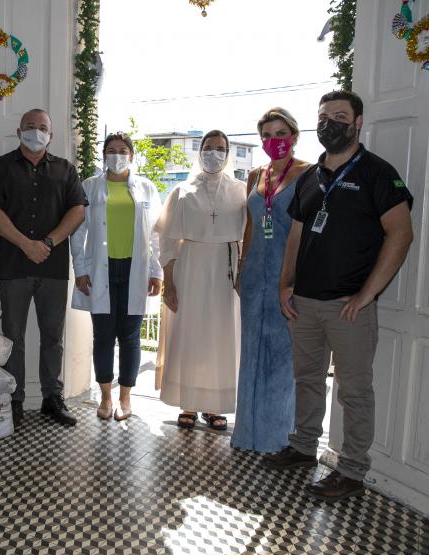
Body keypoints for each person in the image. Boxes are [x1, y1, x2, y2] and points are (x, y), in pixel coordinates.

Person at [262, 91, 414, 502]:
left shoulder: (377, 174)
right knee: (307, 380)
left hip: (348, 307)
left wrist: (367, 294)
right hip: (304, 305)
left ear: (358, 122)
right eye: (324, 116)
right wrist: (284, 285)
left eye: (340, 116)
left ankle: (350, 470)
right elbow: (295, 235)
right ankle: (303, 446)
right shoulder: (311, 177)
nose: (330, 123)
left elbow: (401, 234)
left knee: (355, 391)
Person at [0, 108, 88, 427]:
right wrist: (26, 244)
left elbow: (77, 211)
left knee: (53, 337)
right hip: (13, 267)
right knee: (13, 337)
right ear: (18, 130)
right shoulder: (0, 167)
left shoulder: (66, 170)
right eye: (30, 127)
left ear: (52, 135)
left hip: (53, 268)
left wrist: (48, 243)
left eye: (43, 128)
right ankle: (15, 399)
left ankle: (52, 397)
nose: (36, 132)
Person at [155, 130, 246, 431]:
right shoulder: (182, 191)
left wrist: (241, 272)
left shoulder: (241, 190)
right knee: (190, 335)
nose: (214, 153)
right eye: (208, 147)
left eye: (220, 148)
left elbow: (246, 237)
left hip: (225, 270)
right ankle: (189, 404)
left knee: (219, 337)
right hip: (190, 267)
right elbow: (168, 240)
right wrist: (169, 281)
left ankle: (214, 405)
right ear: (200, 151)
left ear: (228, 153)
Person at [231, 108, 310, 453]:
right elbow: (250, 224)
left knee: (282, 360)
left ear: (293, 135)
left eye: (280, 134)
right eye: (266, 135)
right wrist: (242, 265)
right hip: (254, 277)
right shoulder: (255, 175)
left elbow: (306, 229)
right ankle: (246, 434)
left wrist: (294, 278)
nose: (273, 141)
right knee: (250, 355)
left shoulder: (309, 174)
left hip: (287, 276)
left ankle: (277, 439)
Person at [70, 133, 162, 421]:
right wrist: (81, 269)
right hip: (101, 269)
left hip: (135, 269)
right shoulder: (90, 186)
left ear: (132, 156)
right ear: (103, 155)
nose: (117, 155)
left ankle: (126, 397)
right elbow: (78, 231)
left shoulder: (146, 188)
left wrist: (156, 271)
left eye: (123, 151)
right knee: (103, 336)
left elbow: (156, 234)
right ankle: (106, 397)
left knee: (131, 337)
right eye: (111, 151)